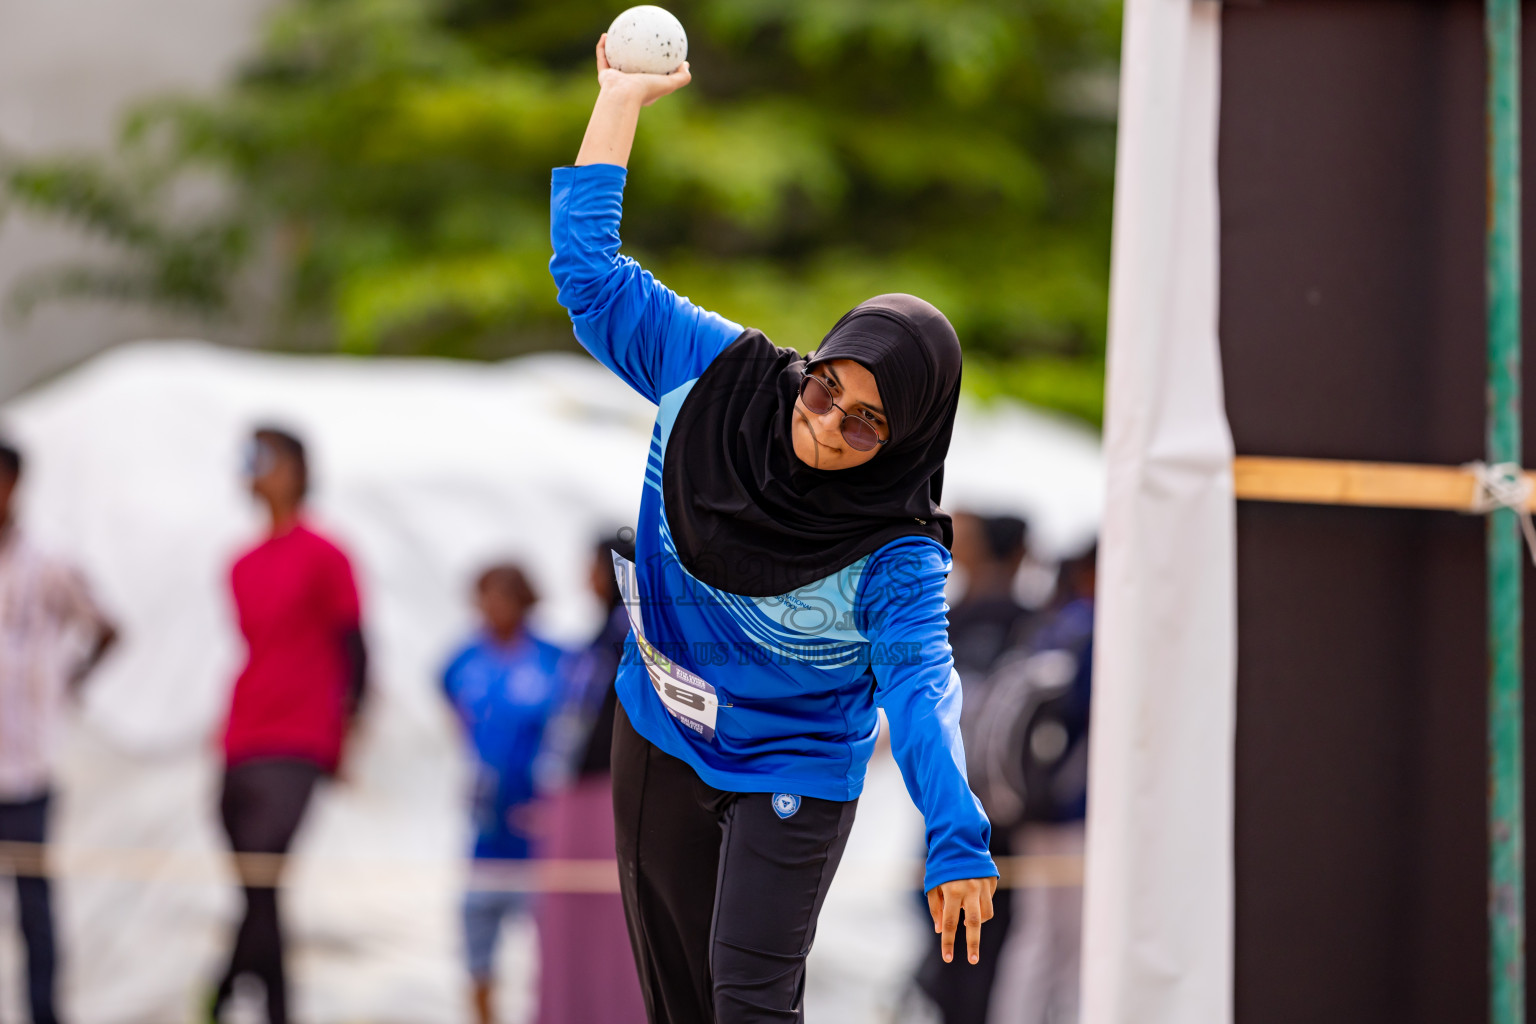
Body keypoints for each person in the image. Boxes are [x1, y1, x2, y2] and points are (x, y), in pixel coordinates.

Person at [549, 37, 998, 1024]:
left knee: (747, 1001)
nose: (827, 423)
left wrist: (956, 831)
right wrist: (619, 103)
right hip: (661, 724)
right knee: (678, 1001)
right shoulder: (718, 375)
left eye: (865, 421)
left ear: (903, 440)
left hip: (795, 761)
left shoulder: (898, 551)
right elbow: (587, 277)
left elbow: (923, 690)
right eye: (829, 386)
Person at [210, 427, 368, 1024]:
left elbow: (355, 648)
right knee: (259, 888)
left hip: (301, 738)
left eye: (264, 456)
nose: (252, 468)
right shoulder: (238, 563)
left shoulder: (328, 554)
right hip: (241, 734)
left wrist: (347, 731)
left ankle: (225, 993)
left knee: (263, 869)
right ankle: (266, 1008)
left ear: (297, 469)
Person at [0, 440, 118, 1024]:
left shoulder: (49, 562)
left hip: (26, 768)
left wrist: (67, 683)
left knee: (34, 909)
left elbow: (108, 627)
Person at [917, 512, 1032, 1024]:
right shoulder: (1029, 618)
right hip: (1002, 808)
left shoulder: (954, 615)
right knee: (990, 931)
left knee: (951, 930)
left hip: (951, 801)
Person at [975, 544, 1096, 1024]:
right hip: (1070, 810)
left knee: (1039, 934)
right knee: (1064, 941)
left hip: (1033, 804)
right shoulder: (1092, 628)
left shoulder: (1052, 624)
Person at [441, 563, 565, 1024]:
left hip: (539, 823)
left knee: (548, 939)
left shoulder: (555, 659)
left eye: (504, 596)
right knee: (477, 933)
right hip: (485, 824)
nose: (494, 607)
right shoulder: (465, 659)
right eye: (486, 597)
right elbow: (446, 695)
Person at [533, 534, 646, 1024]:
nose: (588, 576)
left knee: (607, 919)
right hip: (580, 792)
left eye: (596, 566)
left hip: (606, 794)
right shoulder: (597, 640)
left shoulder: (631, 636)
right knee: (572, 918)